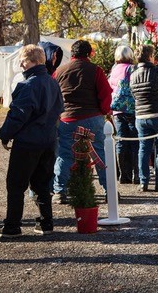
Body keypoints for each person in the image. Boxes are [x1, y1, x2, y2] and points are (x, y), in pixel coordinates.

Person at [0, 45, 64, 238]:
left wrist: (4, 134)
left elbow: (18, 115)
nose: (21, 64)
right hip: (48, 139)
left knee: (16, 184)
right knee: (42, 183)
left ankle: (12, 225)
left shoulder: (28, 86)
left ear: (32, 61)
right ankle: (46, 222)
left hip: (28, 142)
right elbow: (60, 109)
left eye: (24, 61)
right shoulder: (53, 83)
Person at [53, 40, 112, 203]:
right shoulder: (95, 70)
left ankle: (59, 191)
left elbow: (54, 94)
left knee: (65, 154)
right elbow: (105, 94)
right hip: (92, 117)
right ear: (89, 54)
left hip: (68, 118)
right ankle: (109, 190)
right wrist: (105, 111)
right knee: (100, 153)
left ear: (72, 53)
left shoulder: (59, 71)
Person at [130, 44, 158, 192]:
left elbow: (133, 95)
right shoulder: (157, 71)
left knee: (144, 149)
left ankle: (143, 181)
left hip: (141, 115)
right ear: (150, 57)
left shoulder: (133, 74)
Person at [108, 45, 139, 184]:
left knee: (121, 141)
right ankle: (136, 174)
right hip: (131, 108)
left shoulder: (114, 70)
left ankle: (123, 175)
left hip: (117, 110)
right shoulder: (132, 68)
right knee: (134, 141)